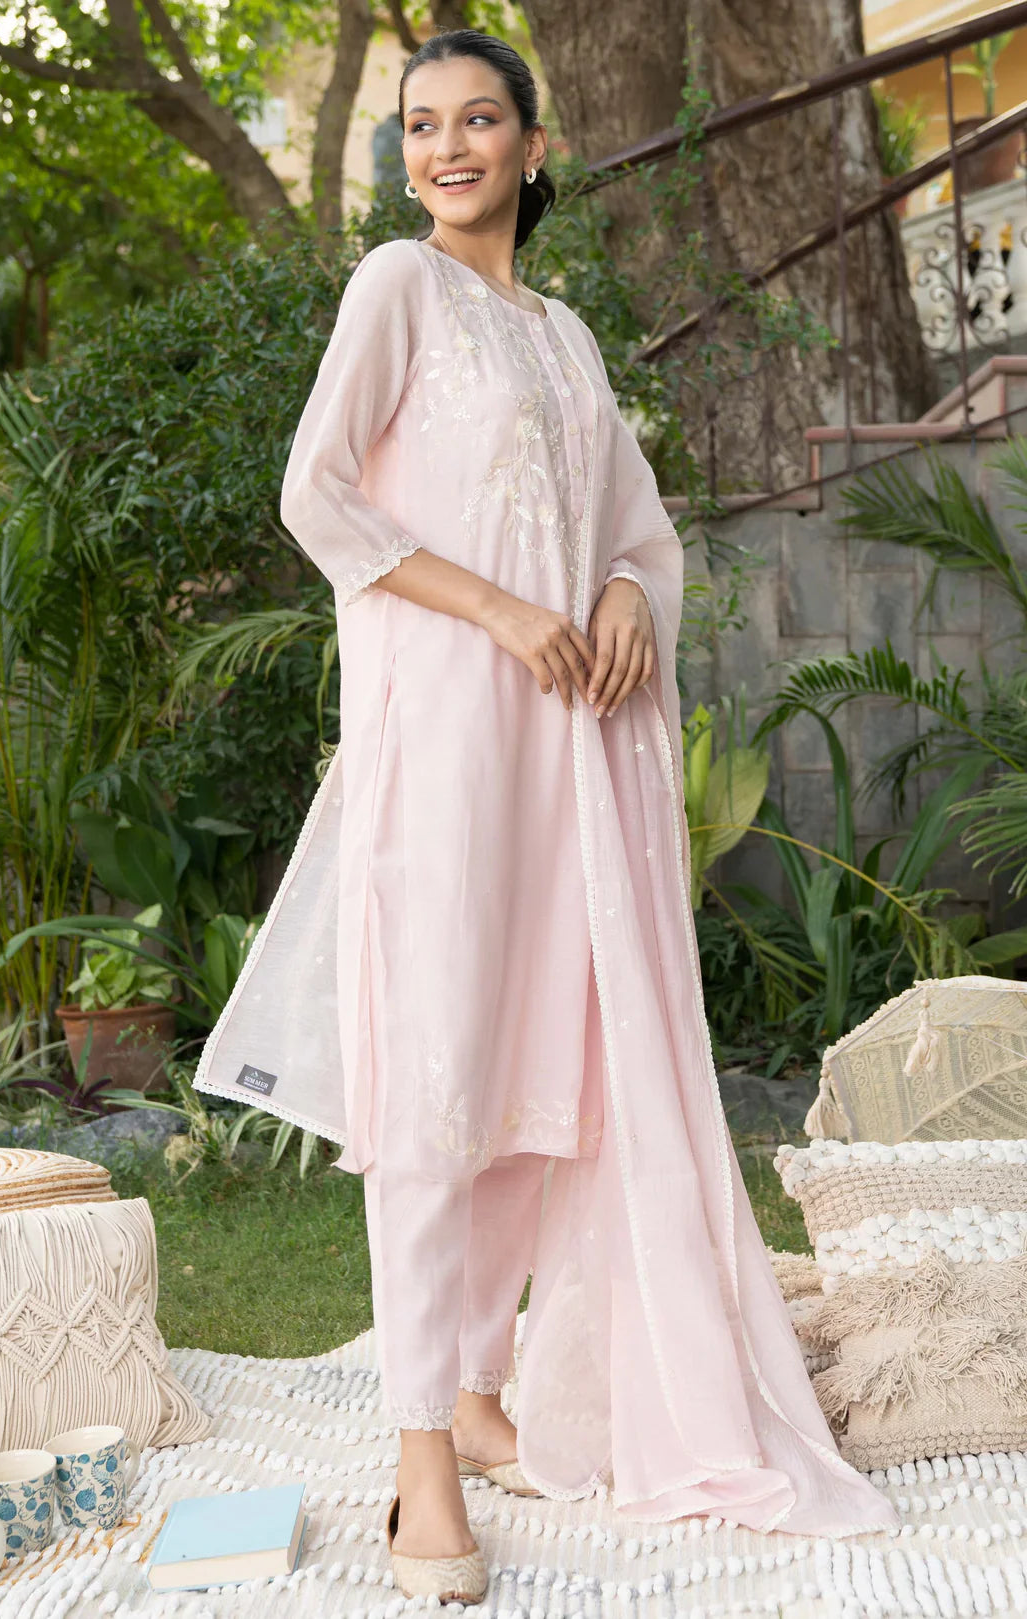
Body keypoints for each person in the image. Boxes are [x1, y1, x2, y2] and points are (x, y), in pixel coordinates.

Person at [193, 27, 899, 1605]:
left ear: (532, 141)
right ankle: (420, 1464)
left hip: (570, 764)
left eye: (477, 119)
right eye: (419, 125)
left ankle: (484, 1389)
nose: (446, 147)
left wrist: (630, 593)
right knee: (436, 1078)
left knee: (542, 1073)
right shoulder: (398, 287)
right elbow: (318, 493)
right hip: (447, 749)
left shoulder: (563, 335)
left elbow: (639, 531)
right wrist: (508, 613)